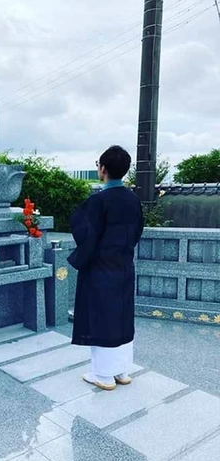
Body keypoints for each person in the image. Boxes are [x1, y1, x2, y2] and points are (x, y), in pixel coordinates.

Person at [68, 145, 144, 391]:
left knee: (100, 318)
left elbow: (86, 236)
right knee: (121, 317)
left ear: (103, 169)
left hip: (101, 270)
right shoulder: (132, 199)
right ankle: (122, 371)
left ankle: (103, 375)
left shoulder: (98, 201)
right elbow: (136, 233)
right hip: (123, 266)